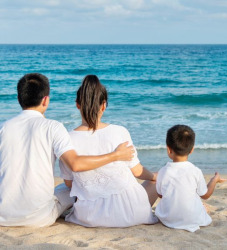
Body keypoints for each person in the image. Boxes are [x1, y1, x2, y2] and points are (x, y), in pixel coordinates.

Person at [0, 73, 134, 227]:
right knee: (69, 187)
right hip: (39, 217)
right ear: (45, 100)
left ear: (19, 99)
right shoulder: (52, 127)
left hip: (3, 215)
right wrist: (116, 155)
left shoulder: (3, 127)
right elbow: (75, 164)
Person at [59, 75, 158, 227]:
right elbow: (138, 172)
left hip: (91, 217)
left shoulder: (67, 138)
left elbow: (69, 183)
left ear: (77, 105)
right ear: (104, 105)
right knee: (156, 182)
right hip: (132, 212)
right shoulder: (120, 131)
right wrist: (153, 176)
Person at [155, 125, 226, 232]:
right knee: (199, 201)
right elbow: (205, 195)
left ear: (169, 149)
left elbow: (160, 194)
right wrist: (214, 180)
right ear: (192, 150)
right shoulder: (195, 171)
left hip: (168, 219)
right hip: (193, 219)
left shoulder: (163, 171)